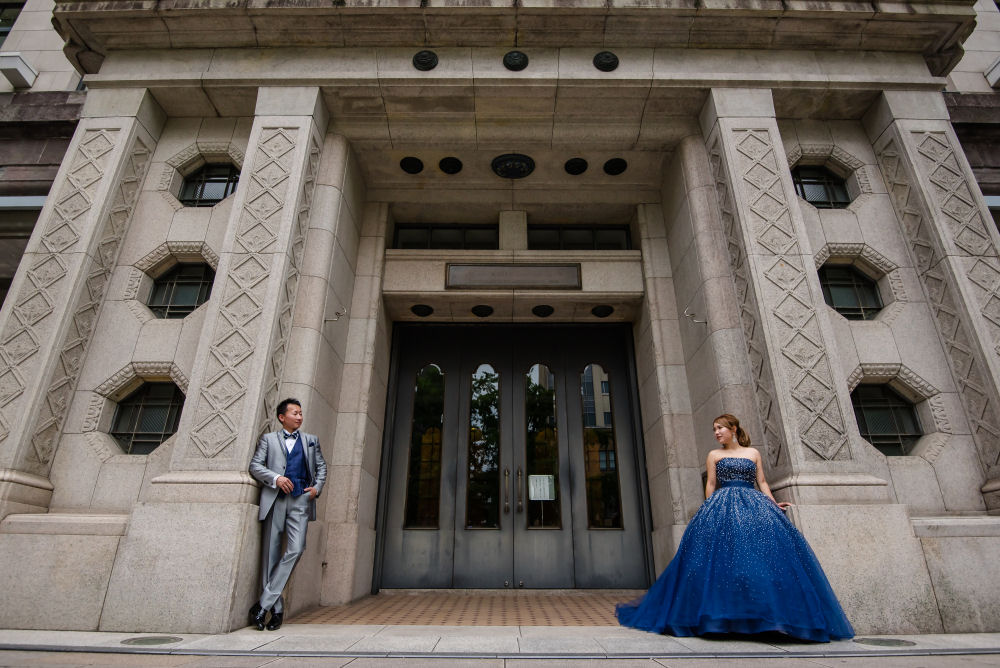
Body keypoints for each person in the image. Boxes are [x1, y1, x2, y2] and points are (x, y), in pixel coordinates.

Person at [616, 413, 854, 642]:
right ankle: (721, 620)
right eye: (714, 430)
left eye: (720, 428)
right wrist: (709, 508)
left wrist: (773, 503)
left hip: (754, 505)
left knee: (759, 562)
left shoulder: (753, 453)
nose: (716, 433)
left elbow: (761, 482)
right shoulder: (714, 455)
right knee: (723, 564)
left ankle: (766, 619)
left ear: (734, 430)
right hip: (723, 505)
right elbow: (710, 484)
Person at [248, 398, 327, 631]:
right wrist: (276, 478)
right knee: (270, 557)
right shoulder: (269, 440)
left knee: (296, 549)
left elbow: (321, 467)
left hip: (300, 500)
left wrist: (317, 488)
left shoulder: (311, 441)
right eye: (295, 413)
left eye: (301, 413)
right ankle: (277, 610)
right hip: (275, 500)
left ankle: (263, 603)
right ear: (282, 417)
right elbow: (255, 465)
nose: (299, 417)